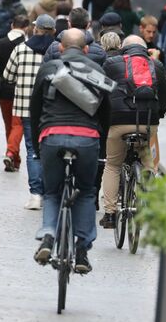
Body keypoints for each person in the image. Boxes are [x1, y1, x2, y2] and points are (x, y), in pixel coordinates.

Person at [30, 28, 112, 273]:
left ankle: (47, 236)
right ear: (86, 49)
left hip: (52, 136)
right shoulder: (97, 71)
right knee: (86, 192)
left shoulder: (48, 69)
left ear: (61, 48)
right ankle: (82, 251)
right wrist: (102, 146)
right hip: (87, 139)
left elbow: (34, 110)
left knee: (53, 193)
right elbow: (106, 113)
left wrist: (37, 145)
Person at [100, 35, 166, 229]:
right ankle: (146, 200)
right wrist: (160, 114)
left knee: (113, 165)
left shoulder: (111, 63)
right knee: (148, 158)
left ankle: (110, 214)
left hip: (118, 122)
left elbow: (101, 91)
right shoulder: (155, 65)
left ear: (123, 48)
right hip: (148, 123)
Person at [4, 14, 59, 210]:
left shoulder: (20, 49)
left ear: (35, 29)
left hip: (26, 108)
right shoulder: (59, 50)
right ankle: (51, 192)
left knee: (32, 150)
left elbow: (8, 76)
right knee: (51, 150)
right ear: (53, 31)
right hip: (53, 109)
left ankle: (36, 194)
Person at [0, 13, 30, 173]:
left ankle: (14, 158)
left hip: (4, 90)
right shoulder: (27, 45)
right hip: (22, 89)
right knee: (18, 124)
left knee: (10, 125)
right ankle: (11, 153)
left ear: (11, 25)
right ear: (26, 28)